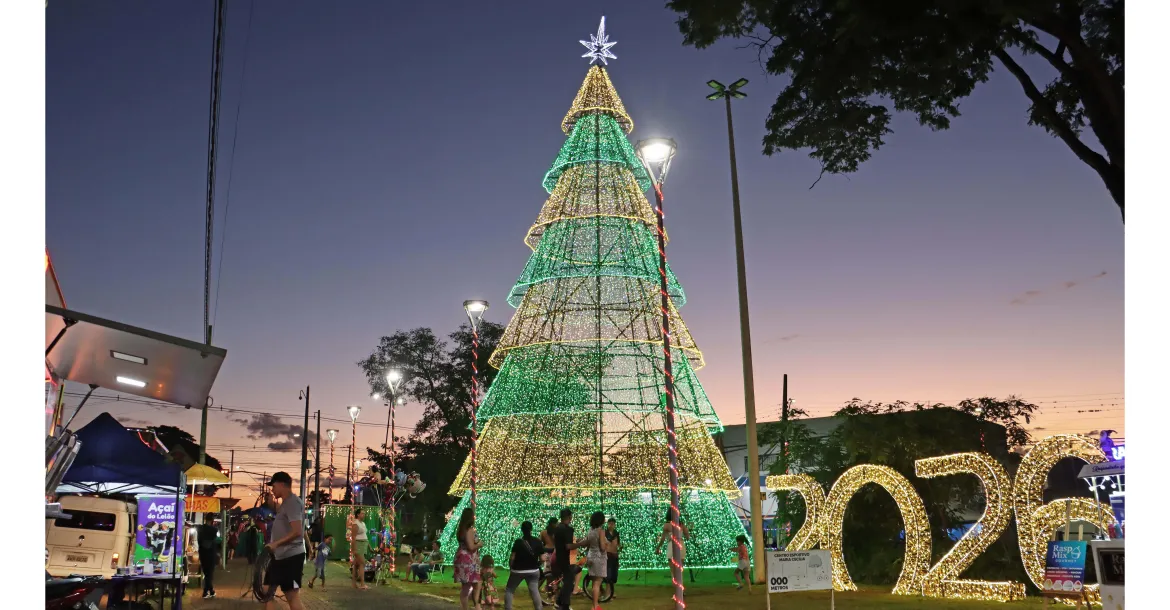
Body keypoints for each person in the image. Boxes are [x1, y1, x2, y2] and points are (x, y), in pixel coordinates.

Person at [263, 472, 307, 610]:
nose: (272, 489)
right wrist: (271, 504)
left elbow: (297, 531)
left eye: (274, 486)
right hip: (280, 556)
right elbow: (284, 517)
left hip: (291, 557)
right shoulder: (286, 503)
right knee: (267, 590)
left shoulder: (293, 502)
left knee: (291, 595)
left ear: (282, 484)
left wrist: (275, 543)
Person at [504, 521, 543, 610]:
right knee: (534, 591)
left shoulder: (518, 542)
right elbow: (542, 558)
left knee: (510, 590)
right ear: (531, 529)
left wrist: (511, 567)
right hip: (533, 570)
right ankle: (539, 608)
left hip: (518, 570)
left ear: (522, 530)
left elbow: (512, 557)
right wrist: (538, 565)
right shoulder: (537, 541)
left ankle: (508, 608)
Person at [552, 508, 583, 610]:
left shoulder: (557, 528)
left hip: (558, 558)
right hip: (567, 559)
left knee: (568, 581)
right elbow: (568, 546)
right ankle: (564, 605)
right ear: (570, 517)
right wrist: (583, 543)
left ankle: (559, 602)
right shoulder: (568, 529)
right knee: (569, 583)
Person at [454, 507, 484, 610]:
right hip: (468, 560)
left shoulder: (461, 529)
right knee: (471, 585)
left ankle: (474, 605)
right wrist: (479, 544)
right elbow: (471, 547)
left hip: (462, 558)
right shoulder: (469, 530)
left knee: (472, 584)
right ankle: (474, 606)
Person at [581, 511, 609, 610]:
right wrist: (606, 545)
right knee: (597, 583)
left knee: (594, 583)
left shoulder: (590, 530)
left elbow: (588, 543)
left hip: (591, 556)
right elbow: (602, 547)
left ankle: (595, 605)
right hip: (599, 558)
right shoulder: (600, 531)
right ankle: (595, 606)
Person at [196, 519, 220, 599]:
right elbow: (218, 541)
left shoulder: (200, 529)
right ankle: (205, 592)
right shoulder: (214, 530)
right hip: (211, 554)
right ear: (212, 521)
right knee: (209, 574)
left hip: (202, 553)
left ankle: (211, 590)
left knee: (206, 573)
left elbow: (199, 541)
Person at [350, 507, 369, 590]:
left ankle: (354, 584)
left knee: (356, 565)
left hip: (363, 544)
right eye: (362, 513)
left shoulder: (363, 523)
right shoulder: (355, 523)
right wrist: (353, 550)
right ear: (358, 514)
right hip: (358, 545)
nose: (364, 515)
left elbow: (365, 536)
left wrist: (369, 546)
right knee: (362, 563)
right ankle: (362, 583)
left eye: (364, 513)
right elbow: (353, 537)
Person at [604, 517, 621, 599]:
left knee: (614, 575)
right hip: (608, 556)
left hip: (615, 555)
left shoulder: (616, 533)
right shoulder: (604, 533)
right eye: (610, 523)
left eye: (613, 524)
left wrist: (620, 548)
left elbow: (618, 544)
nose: (611, 525)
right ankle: (607, 594)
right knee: (608, 575)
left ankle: (611, 592)